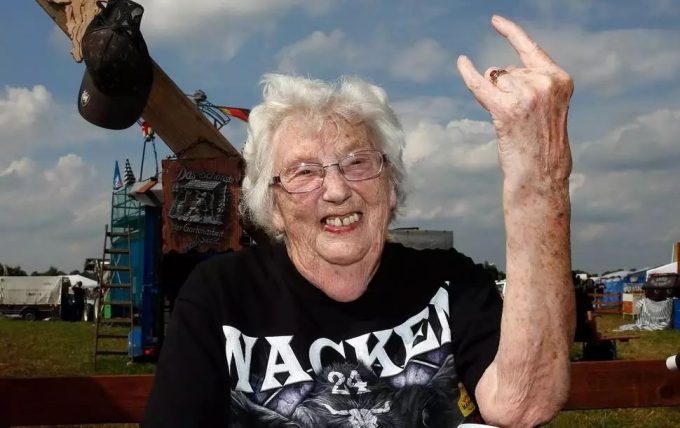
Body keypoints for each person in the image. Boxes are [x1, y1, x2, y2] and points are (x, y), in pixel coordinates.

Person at [143, 15, 574, 427]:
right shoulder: (220, 296)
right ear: (272, 205)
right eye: (304, 172)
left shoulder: (450, 284)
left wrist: (541, 174)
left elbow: (524, 405)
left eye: (358, 162)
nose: (336, 189)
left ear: (391, 187)